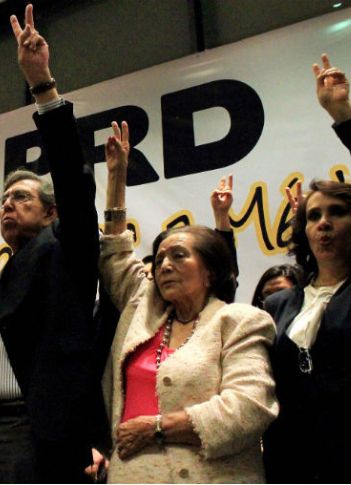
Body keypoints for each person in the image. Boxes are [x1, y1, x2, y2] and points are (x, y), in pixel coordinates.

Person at [0, 5, 103, 483]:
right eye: (3, 200)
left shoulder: (64, 248)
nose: (7, 205)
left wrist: (42, 86)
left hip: (32, 432)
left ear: (52, 212)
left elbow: (74, 183)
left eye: (22, 197)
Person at [92, 120, 278, 483]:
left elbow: (249, 407)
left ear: (210, 271)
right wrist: (116, 179)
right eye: (160, 258)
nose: (164, 265)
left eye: (178, 256)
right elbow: (115, 255)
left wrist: (157, 428)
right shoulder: (144, 312)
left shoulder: (240, 321)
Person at [261, 54, 351, 483]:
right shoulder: (279, 304)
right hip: (293, 466)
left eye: (337, 212)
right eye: (313, 216)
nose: (324, 223)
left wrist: (345, 116)